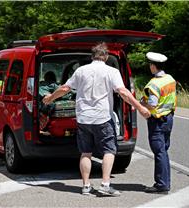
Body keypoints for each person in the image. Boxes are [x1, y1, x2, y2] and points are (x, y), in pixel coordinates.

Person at [43, 43, 151, 196]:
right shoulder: (111, 71)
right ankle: (105, 184)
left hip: (83, 118)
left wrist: (50, 98)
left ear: (92, 56)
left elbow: (65, 88)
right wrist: (140, 107)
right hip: (102, 118)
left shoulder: (80, 71)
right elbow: (123, 92)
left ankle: (86, 186)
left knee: (85, 152)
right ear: (106, 56)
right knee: (109, 150)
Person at [141, 52, 176, 194]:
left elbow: (152, 105)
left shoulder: (154, 84)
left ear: (153, 66)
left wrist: (141, 103)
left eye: (150, 65)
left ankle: (161, 185)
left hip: (157, 122)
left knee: (159, 152)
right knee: (163, 151)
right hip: (168, 119)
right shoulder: (170, 79)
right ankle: (165, 182)